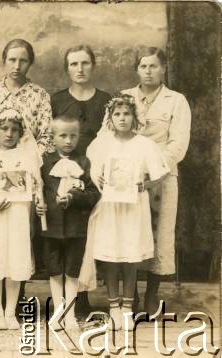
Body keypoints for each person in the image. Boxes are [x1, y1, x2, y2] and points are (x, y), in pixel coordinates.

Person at [86, 94, 169, 330]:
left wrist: (146, 184)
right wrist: (99, 177)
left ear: (135, 117)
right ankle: (113, 307)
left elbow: (160, 172)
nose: (122, 118)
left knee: (130, 258)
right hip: (111, 206)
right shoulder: (102, 143)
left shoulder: (144, 144)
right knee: (112, 257)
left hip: (134, 207)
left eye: (127, 114)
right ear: (110, 118)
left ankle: (127, 308)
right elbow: (94, 169)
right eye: (117, 114)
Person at [120, 47, 191, 314]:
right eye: (143, 66)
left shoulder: (176, 101)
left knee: (160, 234)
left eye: (153, 66)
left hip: (162, 177)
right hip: (128, 178)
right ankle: (131, 294)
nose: (148, 71)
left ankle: (152, 294)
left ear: (163, 69)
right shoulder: (125, 97)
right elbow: (111, 133)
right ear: (136, 69)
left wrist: (152, 169)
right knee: (130, 233)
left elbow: (178, 144)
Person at [50, 45, 111, 315]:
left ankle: (84, 295)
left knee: (88, 236)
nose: (80, 69)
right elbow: (51, 137)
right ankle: (65, 298)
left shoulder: (105, 100)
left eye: (85, 63)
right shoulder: (57, 100)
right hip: (65, 171)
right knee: (67, 232)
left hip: (95, 174)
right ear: (67, 68)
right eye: (74, 64)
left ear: (93, 65)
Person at [0, 108, 43, 330]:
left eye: (14, 130)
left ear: (21, 133)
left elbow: (36, 189)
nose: (9, 134)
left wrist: (36, 209)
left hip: (19, 215)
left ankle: (10, 311)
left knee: (16, 259)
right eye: (4, 129)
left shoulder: (28, 158)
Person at [35, 115, 100, 332]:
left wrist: (74, 197)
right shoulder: (44, 163)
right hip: (51, 227)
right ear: (52, 138)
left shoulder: (84, 163)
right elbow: (38, 191)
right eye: (62, 135)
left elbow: (93, 194)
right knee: (54, 270)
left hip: (75, 228)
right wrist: (38, 206)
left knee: (72, 271)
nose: (68, 141)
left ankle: (70, 314)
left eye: (73, 136)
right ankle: (58, 311)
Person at [0, 39, 53, 154]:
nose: (17, 66)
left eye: (23, 61)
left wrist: (30, 160)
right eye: (12, 60)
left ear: (30, 63)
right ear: (4, 61)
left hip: (29, 162)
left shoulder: (40, 95)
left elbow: (47, 135)